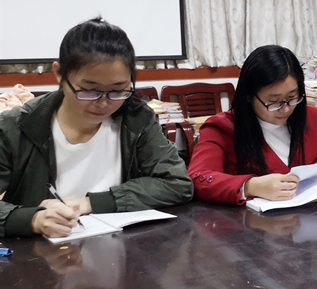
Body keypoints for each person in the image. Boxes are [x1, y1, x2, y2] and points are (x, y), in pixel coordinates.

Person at [0, 18, 193, 238]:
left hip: (119, 248)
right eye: (89, 90)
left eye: (118, 90)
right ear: (59, 73)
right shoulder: (16, 126)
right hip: (38, 253)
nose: (103, 103)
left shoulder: (136, 119)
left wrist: (90, 203)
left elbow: (176, 183)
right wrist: (33, 219)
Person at [189, 45, 317, 205]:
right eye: (274, 101)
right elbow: (197, 178)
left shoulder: (311, 117)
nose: (285, 109)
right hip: (248, 219)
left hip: (310, 215)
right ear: (249, 96)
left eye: (292, 97)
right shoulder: (222, 127)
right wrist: (251, 186)